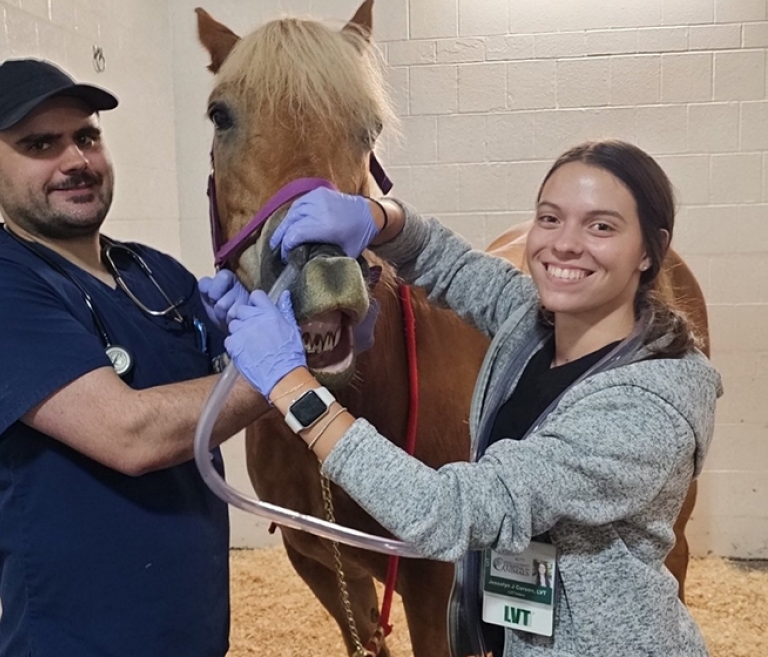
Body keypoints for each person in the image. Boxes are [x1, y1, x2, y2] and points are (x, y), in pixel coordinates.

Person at [217, 140, 722, 656]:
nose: (564, 244)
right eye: (550, 219)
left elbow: (453, 513)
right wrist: (376, 217)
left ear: (648, 250)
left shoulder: (644, 409)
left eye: (601, 226)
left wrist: (290, 384)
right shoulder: (533, 326)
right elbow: (450, 265)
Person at [0, 59, 268, 657]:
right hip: (81, 639)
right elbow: (129, 435)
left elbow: (227, 374)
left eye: (86, 136)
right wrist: (290, 371)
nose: (76, 160)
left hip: (195, 628)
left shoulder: (151, 271)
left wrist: (315, 323)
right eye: (40, 144)